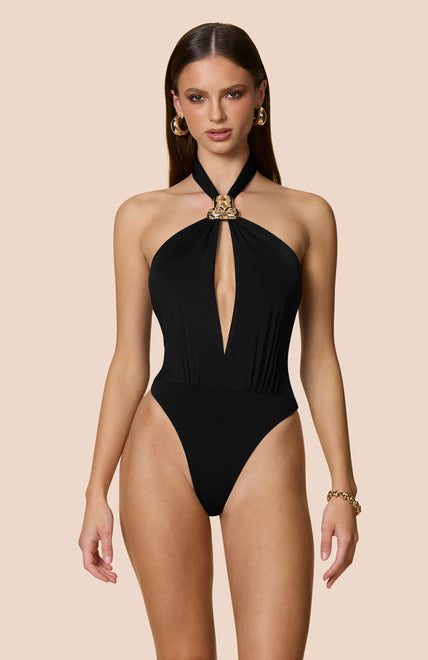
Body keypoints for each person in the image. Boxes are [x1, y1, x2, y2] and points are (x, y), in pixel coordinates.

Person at [78, 21, 360, 660]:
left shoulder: (309, 214)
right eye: (197, 97)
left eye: (232, 93)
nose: (216, 114)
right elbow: (128, 361)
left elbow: (319, 358)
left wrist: (343, 489)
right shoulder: (140, 216)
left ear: (260, 95)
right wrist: (95, 491)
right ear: (175, 105)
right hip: (162, 447)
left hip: (267, 445)